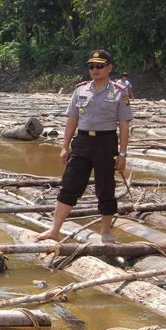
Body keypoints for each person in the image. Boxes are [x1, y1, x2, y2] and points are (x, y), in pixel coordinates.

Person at [37, 49, 132, 243]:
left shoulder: (120, 92)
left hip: (106, 144)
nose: (95, 69)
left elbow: (124, 125)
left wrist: (122, 155)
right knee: (69, 185)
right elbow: (72, 119)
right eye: (91, 66)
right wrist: (65, 146)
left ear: (109, 68)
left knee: (105, 189)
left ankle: (105, 232)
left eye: (99, 66)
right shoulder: (80, 90)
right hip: (82, 143)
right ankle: (54, 230)